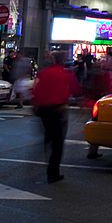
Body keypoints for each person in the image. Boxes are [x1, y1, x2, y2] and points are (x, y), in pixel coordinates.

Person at [32, 51, 73, 183]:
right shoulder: (64, 73)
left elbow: (36, 90)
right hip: (57, 109)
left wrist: (36, 104)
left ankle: (48, 159)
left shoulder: (44, 73)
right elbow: (70, 90)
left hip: (44, 110)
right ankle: (53, 172)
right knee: (58, 143)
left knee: (49, 137)